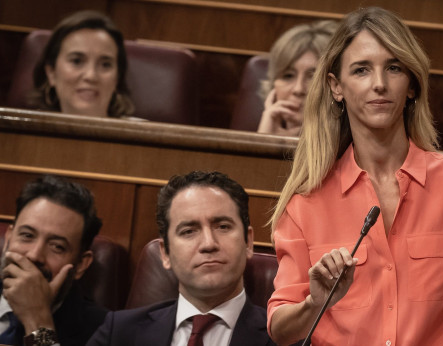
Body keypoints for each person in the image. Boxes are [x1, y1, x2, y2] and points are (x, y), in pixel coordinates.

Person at [267, 7, 443, 346]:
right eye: (361, 70)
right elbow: (280, 328)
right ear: (336, 87)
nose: (379, 84)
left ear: (410, 85)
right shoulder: (305, 202)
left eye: (393, 68)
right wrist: (316, 302)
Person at [87, 171, 275, 346]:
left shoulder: (287, 339)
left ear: (248, 242)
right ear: (165, 253)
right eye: (189, 231)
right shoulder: (119, 332)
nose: (208, 244)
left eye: (223, 227)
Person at [0, 175, 106, 346]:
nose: (34, 255)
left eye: (57, 246)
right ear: (9, 237)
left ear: (81, 264)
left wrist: (37, 320)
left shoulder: (103, 331)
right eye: (27, 236)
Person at [30, 10, 135, 118]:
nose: (91, 76)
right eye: (77, 61)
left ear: (117, 78)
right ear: (51, 72)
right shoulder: (25, 131)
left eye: (105, 65)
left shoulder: (143, 133)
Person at [257, 20, 337, 136]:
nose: (298, 89)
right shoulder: (266, 128)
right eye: (288, 75)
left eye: (312, 78)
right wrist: (265, 139)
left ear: (337, 86)